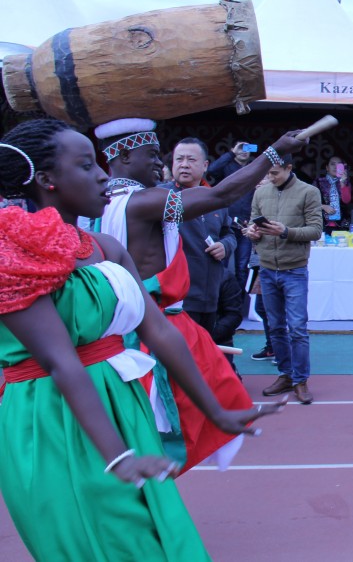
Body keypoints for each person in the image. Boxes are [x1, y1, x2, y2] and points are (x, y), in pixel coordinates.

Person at [0, 120, 282, 560]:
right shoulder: (13, 253)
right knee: (96, 541)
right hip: (51, 414)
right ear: (45, 180)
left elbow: (160, 331)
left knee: (162, 536)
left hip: (120, 402)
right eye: (86, 165)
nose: (102, 176)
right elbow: (60, 362)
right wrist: (117, 456)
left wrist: (218, 411)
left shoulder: (106, 246)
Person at [96, 119, 302, 471]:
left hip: (135, 324)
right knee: (170, 425)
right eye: (151, 155)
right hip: (152, 329)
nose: (159, 164)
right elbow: (221, 195)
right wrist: (274, 152)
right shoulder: (143, 201)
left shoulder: (101, 204)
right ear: (125, 156)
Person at [245, 153, 323, 405]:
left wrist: (286, 232)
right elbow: (253, 227)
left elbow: (316, 230)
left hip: (294, 270)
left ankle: (300, 380)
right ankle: (286, 375)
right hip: (267, 269)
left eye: (275, 172)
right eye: (267, 173)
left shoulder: (308, 192)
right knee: (276, 327)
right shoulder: (261, 193)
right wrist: (252, 232)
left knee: (298, 327)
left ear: (289, 168)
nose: (270, 177)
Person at [166, 138, 237, 333]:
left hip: (210, 293)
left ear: (205, 165)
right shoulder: (161, 198)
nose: (184, 165)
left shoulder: (215, 199)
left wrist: (225, 246)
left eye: (191, 160)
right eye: (179, 159)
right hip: (176, 297)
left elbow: (229, 233)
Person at [207, 139, 256, 292]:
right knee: (221, 263)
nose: (244, 150)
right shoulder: (227, 166)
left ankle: (238, 306)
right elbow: (212, 170)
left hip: (246, 225)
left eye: (248, 147)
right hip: (226, 223)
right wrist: (231, 153)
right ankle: (218, 301)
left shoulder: (254, 168)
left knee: (242, 267)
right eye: (241, 147)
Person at [316, 155, 352, 234]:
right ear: (327, 168)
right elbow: (309, 202)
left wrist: (342, 182)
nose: (336, 167)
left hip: (342, 225)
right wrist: (323, 206)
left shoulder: (345, 182)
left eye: (339, 165)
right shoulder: (318, 182)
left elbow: (346, 201)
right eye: (332, 164)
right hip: (322, 224)